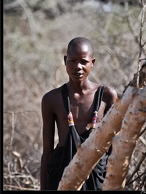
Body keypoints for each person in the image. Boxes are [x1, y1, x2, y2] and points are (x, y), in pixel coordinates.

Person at [40, 37, 117, 190]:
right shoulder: (51, 99)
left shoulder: (107, 96)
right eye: (72, 61)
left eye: (83, 61)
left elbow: (114, 148)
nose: (78, 66)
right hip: (61, 172)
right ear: (65, 61)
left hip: (97, 175)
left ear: (92, 63)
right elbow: (47, 152)